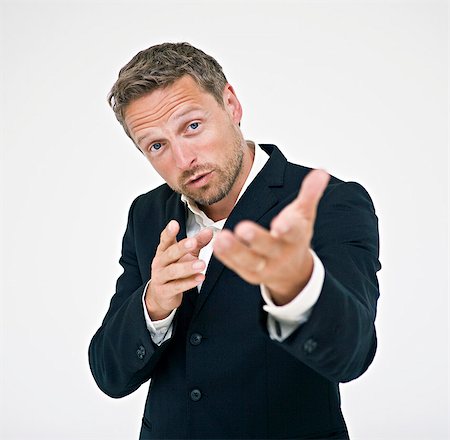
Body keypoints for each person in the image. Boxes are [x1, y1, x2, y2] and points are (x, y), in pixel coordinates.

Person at [88, 42, 381, 440]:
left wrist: (298, 285)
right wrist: (154, 304)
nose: (183, 160)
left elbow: (352, 355)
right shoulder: (147, 214)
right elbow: (110, 375)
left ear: (231, 104)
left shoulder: (331, 202)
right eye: (157, 146)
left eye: (192, 126)